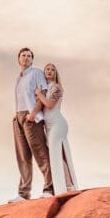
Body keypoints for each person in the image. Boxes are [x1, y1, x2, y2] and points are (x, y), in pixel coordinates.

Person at [9, 47, 53, 202]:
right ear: (18, 59)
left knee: (40, 153)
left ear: (32, 59)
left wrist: (34, 114)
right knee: (22, 156)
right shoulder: (18, 77)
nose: (26, 58)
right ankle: (23, 193)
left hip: (31, 117)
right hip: (18, 117)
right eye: (23, 56)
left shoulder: (36, 73)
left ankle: (49, 188)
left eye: (29, 56)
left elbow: (42, 94)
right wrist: (16, 116)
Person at [34, 62, 79, 194]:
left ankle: (69, 185)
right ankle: (63, 186)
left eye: (52, 70)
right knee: (56, 156)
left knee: (58, 155)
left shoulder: (57, 88)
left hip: (57, 124)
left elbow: (49, 105)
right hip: (48, 126)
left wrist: (39, 94)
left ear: (55, 73)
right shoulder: (45, 88)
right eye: (47, 69)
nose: (49, 71)